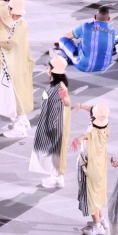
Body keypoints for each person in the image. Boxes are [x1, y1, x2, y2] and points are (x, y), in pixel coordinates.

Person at [0, 0, 34, 138]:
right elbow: (13, 32)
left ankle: (19, 128)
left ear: (14, 10)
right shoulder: (20, 23)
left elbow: (9, 44)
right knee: (16, 94)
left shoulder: (20, 26)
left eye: (10, 8)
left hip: (15, 67)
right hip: (14, 64)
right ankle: (23, 122)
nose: (8, 10)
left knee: (14, 96)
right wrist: (2, 24)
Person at [29, 55, 72, 189]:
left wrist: (50, 125)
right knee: (49, 151)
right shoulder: (56, 85)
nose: (48, 68)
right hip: (50, 122)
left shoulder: (59, 87)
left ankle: (57, 177)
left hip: (53, 124)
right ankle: (56, 176)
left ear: (53, 70)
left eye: (49, 66)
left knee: (51, 151)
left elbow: (66, 103)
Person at [71, 103, 110, 235]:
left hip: (90, 165)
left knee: (91, 194)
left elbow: (85, 136)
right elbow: (92, 108)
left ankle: (97, 225)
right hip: (100, 165)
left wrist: (77, 139)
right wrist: (81, 106)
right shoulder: (104, 125)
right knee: (98, 193)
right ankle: (102, 220)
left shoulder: (93, 132)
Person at [57, 6, 116, 73]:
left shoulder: (86, 26)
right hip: (104, 66)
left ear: (95, 16)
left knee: (62, 40)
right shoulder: (112, 30)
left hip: (83, 66)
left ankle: (68, 59)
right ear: (108, 19)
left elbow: (67, 36)